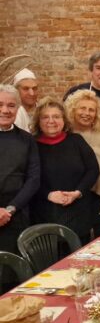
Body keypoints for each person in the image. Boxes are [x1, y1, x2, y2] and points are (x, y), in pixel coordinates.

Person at [30, 97, 99, 244]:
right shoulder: (31, 145)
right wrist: (48, 195)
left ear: (64, 119)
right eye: (45, 117)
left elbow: (93, 169)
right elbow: (27, 178)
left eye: (56, 116)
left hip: (78, 212)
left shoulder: (76, 141)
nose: (51, 121)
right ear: (38, 121)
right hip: (45, 213)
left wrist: (77, 192)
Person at [65, 89, 100, 235]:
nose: (86, 113)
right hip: (73, 200)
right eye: (82, 108)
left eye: (91, 110)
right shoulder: (65, 137)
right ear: (73, 110)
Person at [0, 85, 40, 255]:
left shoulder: (27, 140)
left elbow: (33, 179)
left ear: (18, 108)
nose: (5, 110)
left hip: (16, 216)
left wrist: (10, 209)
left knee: (14, 275)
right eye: (0, 105)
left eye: (11, 105)